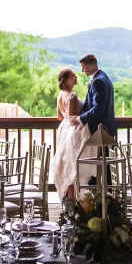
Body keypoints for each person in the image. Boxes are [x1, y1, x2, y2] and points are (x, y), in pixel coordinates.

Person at [52, 68, 91, 201]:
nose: (76, 78)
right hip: (71, 132)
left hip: (63, 129)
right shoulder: (72, 96)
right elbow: (72, 119)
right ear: (66, 80)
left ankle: (70, 200)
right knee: (72, 164)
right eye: (73, 76)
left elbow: (59, 116)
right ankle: (72, 200)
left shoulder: (60, 95)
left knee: (67, 164)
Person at [70, 54, 116, 138]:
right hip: (106, 127)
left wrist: (79, 119)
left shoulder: (98, 81)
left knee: (101, 152)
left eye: (83, 67)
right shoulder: (103, 77)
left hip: (100, 129)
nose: (82, 70)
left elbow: (98, 108)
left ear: (90, 67)